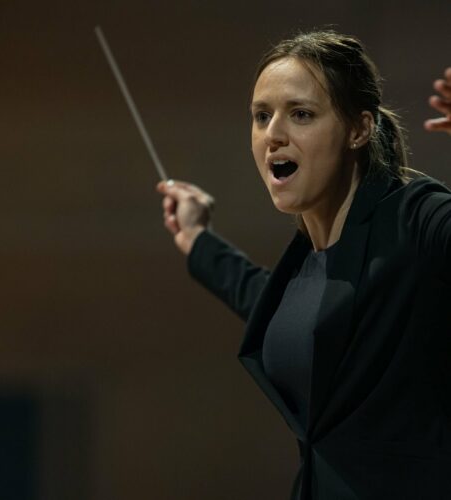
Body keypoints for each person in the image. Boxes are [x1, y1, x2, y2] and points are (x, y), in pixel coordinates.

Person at [156, 30, 451, 499]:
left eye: (301, 114)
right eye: (261, 116)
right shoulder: (303, 267)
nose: (273, 134)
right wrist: (196, 238)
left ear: (359, 129)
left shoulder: (415, 216)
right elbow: (263, 298)